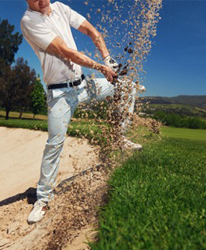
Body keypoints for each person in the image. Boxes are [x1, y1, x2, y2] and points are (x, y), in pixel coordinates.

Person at [21, 0, 143, 224]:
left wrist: (107, 57)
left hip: (83, 85)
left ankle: (120, 137)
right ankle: (43, 199)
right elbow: (66, 52)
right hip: (59, 95)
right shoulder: (29, 21)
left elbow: (91, 30)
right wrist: (101, 67)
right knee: (54, 144)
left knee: (126, 87)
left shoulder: (60, 8)